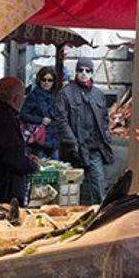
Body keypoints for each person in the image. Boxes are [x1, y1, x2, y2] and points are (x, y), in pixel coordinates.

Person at [55, 57, 113, 204]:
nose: (84, 73)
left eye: (87, 71)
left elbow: (104, 118)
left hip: (94, 149)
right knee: (70, 192)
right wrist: (72, 142)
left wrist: (106, 136)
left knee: (98, 187)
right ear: (76, 72)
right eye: (80, 70)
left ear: (92, 73)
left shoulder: (98, 94)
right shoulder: (65, 93)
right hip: (73, 150)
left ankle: (99, 218)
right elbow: (61, 120)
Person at [21, 66, 60, 157]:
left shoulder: (56, 96)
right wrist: (40, 120)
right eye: (44, 79)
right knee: (41, 168)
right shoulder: (33, 95)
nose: (46, 83)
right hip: (38, 141)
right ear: (39, 80)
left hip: (54, 140)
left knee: (56, 168)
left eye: (50, 80)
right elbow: (23, 114)